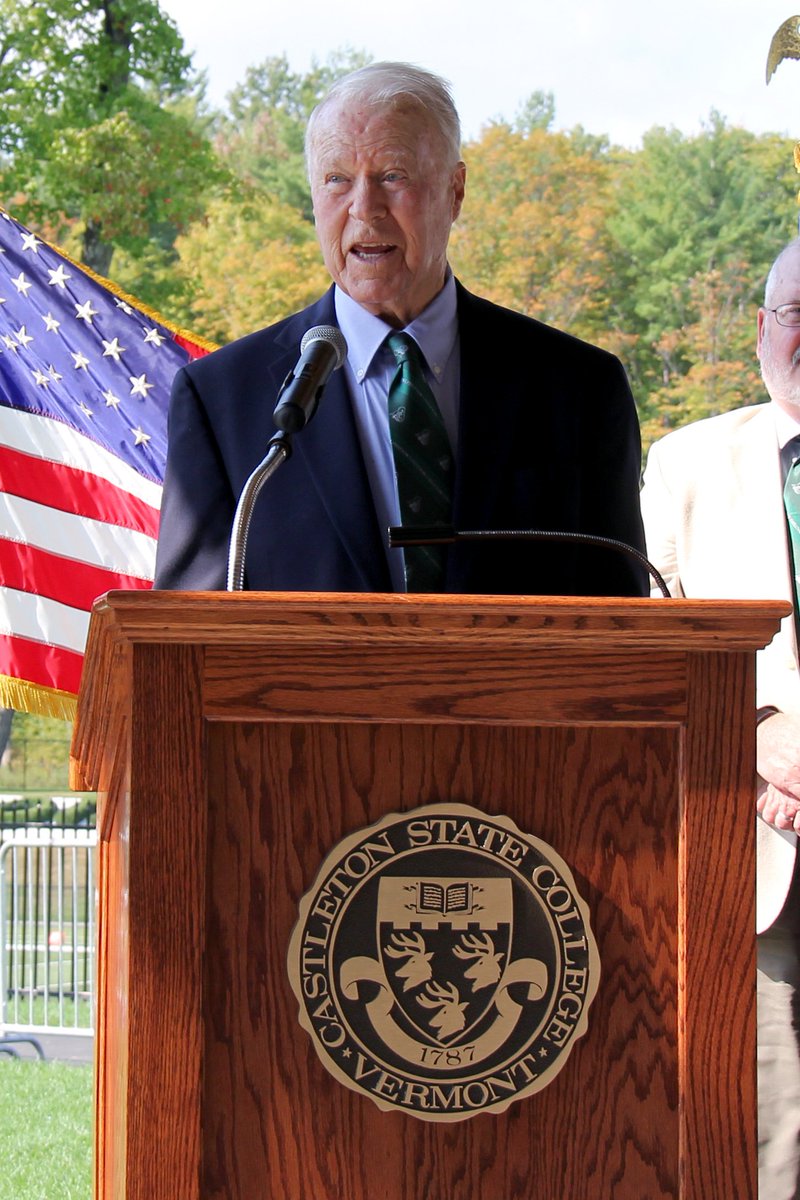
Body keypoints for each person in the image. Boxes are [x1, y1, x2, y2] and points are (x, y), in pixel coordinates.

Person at [154, 62, 647, 596]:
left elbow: (621, 625)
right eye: (337, 180)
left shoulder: (579, 389)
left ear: (455, 191)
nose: (365, 210)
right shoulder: (222, 400)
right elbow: (186, 644)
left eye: (394, 176)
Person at [641, 238, 800, 1199]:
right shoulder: (686, 464)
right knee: (767, 1150)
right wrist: (756, 753)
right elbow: (651, 655)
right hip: (756, 863)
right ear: (760, 330)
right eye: (796, 316)